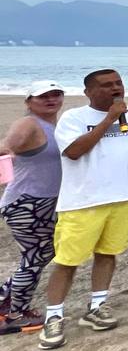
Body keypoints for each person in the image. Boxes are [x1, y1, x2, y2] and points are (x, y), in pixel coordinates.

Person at [42, 70, 128, 350]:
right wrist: (109, 119)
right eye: (107, 85)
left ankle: (97, 306)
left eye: (118, 83)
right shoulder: (73, 118)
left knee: (108, 254)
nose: (116, 89)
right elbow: (74, 151)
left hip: (122, 196)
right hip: (83, 201)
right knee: (68, 260)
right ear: (89, 92)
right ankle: (53, 317)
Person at [0, 82, 64, 327]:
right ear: (29, 102)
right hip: (27, 203)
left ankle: (6, 298)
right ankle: (16, 315)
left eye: (55, 94)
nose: (50, 99)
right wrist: (8, 151)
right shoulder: (28, 123)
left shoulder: (52, 126)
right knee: (36, 258)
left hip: (42, 203)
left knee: (40, 255)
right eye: (42, 96)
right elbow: (8, 144)